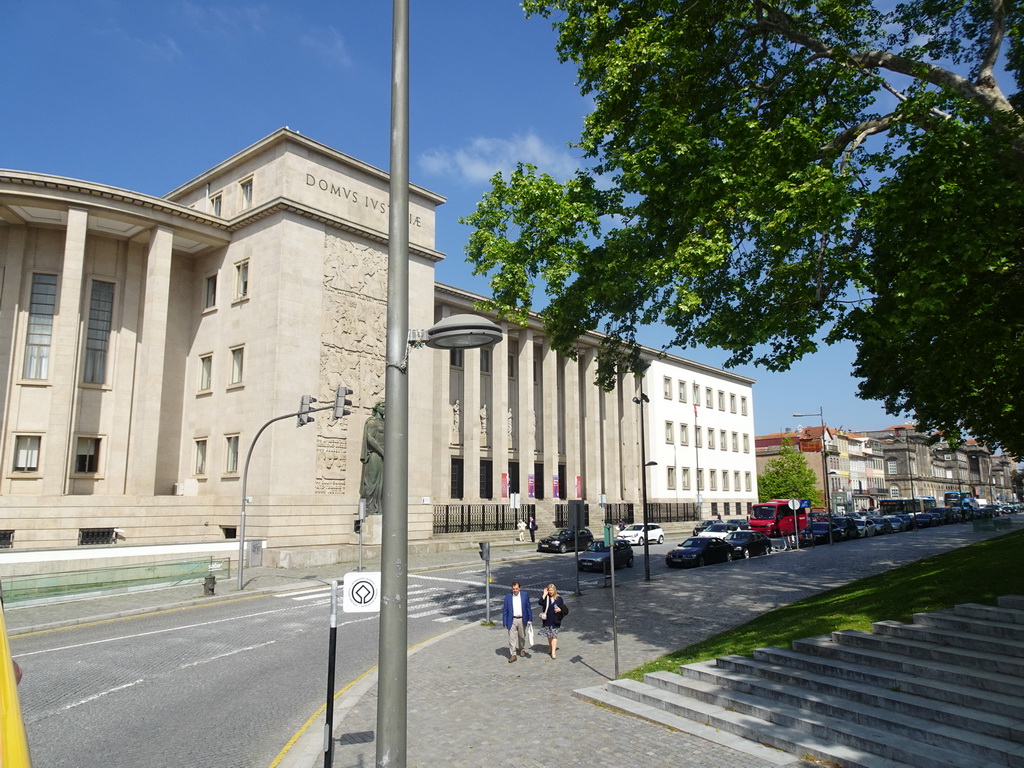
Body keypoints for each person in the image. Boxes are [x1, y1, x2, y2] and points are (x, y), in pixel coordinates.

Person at [359, 401, 385, 515]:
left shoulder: (386, 423)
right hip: (375, 455)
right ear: (377, 408)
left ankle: (379, 507)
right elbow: (370, 438)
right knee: (371, 482)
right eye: (383, 406)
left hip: (384, 456)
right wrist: (382, 452)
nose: (385, 408)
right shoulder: (371, 422)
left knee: (382, 483)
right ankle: (369, 507)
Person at [501, 581, 532, 663]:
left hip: (522, 619)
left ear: (520, 588)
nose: (515, 590)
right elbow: (505, 610)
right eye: (513, 589)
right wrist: (504, 622)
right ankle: (513, 654)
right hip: (512, 619)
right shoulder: (508, 596)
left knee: (522, 636)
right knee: (512, 638)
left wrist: (530, 619)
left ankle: (521, 649)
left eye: (516, 589)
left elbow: (528, 607)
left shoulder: (525, 595)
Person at [538, 583, 567, 659]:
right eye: (549, 590)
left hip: (555, 620)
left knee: (554, 635)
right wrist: (544, 594)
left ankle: (553, 652)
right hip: (547, 620)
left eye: (552, 590)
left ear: (554, 590)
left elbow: (564, 608)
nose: (550, 592)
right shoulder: (546, 598)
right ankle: (550, 646)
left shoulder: (559, 598)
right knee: (549, 635)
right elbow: (540, 602)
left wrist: (560, 610)